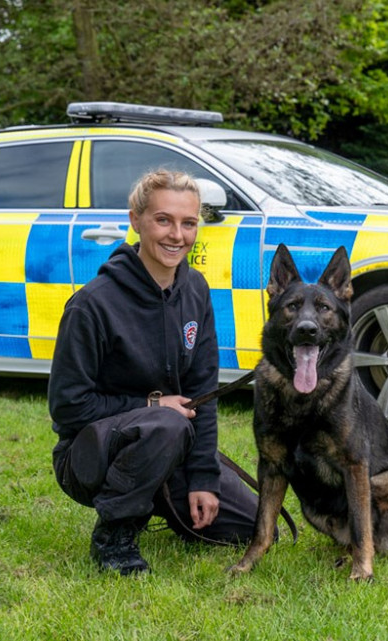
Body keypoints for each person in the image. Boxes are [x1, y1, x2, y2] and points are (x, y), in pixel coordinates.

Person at [49, 169, 258, 575]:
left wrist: (202, 478)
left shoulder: (196, 290)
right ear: (136, 221)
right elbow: (68, 409)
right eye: (163, 220)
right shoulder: (91, 305)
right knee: (166, 422)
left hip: (168, 442)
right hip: (88, 457)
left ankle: (152, 497)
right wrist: (150, 405)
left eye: (188, 223)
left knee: (245, 526)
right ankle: (115, 533)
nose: (176, 235)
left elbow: (201, 393)